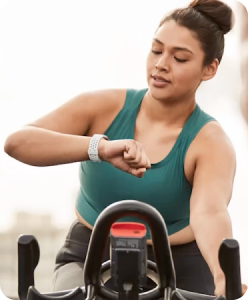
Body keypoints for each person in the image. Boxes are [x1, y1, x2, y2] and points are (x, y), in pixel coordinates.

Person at [3, 0, 248, 297]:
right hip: (89, 254)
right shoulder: (101, 107)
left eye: (180, 58)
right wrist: (100, 148)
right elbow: (18, 143)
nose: (161, 64)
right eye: (156, 50)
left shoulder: (211, 142)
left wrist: (223, 278)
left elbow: (209, 213)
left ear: (209, 69)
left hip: (180, 264)